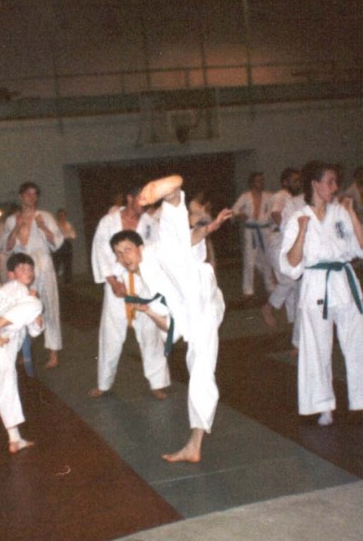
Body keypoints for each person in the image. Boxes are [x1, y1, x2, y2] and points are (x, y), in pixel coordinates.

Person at [113, 175, 232, 463]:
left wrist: (206, 229)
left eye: (127, 249)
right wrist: (151, 313)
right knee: (199, 371)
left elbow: (185, 240)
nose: (124, 257)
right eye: (118, 254)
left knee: (172, 248)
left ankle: (173, 196)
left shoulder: (153, 252)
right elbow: (171, 328)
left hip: (198, 294)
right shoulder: (144, 286)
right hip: (194, 311)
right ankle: (194, 444)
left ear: (138, 247)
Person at [280, 161, 363, 426]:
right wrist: (302, 231)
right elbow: (291, 265)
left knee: (360, 343)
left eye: (335, 182)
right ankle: (323, 407)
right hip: (315, 285)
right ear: (315, 184)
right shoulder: (298, 217)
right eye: (330, 182)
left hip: (344, 282)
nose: (334, 187)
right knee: (317, 348)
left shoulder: (341, 213)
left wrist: (352, 213)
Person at [89, 188, 167, 398]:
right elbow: (100, 252)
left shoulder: (150, 223)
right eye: (141, 199)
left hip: (144, 281)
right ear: (130, 198)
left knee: (150, 333)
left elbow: (157, 253)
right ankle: (104, 383)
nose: (145, 204)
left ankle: (157, 382)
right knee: (111, 334)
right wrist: (112, 281)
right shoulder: (109, 222)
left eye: (148, 201)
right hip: (117, 282)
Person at [0, 253, 44, 453]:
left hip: (5, 340)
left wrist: (36, 310)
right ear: (12, 274)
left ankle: (14, 438)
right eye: (22, 269)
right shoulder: (13, 286)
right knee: (6, 380)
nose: (28, 272)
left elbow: (35, 331)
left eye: (30, 269)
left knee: (7, 382)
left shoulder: (30, 296)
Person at [0, 181, 64, 369]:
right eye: (28, 194)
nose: (32, 197)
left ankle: (53, 352)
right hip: (23, 267)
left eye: (35, 194)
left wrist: (43, 227)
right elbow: (7, 247)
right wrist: (16, 228)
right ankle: (24, 349)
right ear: (21, 196)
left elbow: (56, 243)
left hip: (43, 264)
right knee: (22, 307)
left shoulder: (45, 217)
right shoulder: (12, 220)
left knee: (49, 306)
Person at [261, 168, 302, 328]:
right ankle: (269, 307)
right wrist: (288, 231)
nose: (298, 183)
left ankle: (294, 323)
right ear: (285, 182)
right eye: (294, 180)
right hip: (278, 240)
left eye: (299, 180)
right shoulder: (281, 195)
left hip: (287, 241)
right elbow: (275, 214)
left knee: (293, 283)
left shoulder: (295, 198)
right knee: (291, 278)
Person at [232, 171, 276, 299]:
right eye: (258, 181)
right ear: (252, 183)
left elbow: (276, 210)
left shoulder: (269, 196)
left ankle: (269, 284)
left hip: (265, 230)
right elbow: (234, 210)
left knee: (267, 258)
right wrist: (240, 215)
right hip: (250, 231)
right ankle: (248, 290)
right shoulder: (245, 196)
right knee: (249, 260)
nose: (261, 183)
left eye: (262, 180)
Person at [52, 208, 76, 284]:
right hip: (58, 246)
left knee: (68, 264)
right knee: (56, 264)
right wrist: (65, 233)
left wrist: (66, 233)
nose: (62, 217)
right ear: (58, 216)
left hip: (67, 244)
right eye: (60, 215)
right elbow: (54, 235)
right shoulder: (55, 225)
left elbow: (73, 235)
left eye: (63, 215)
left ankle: (68, 281)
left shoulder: (68, 224)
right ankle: (55, 282)